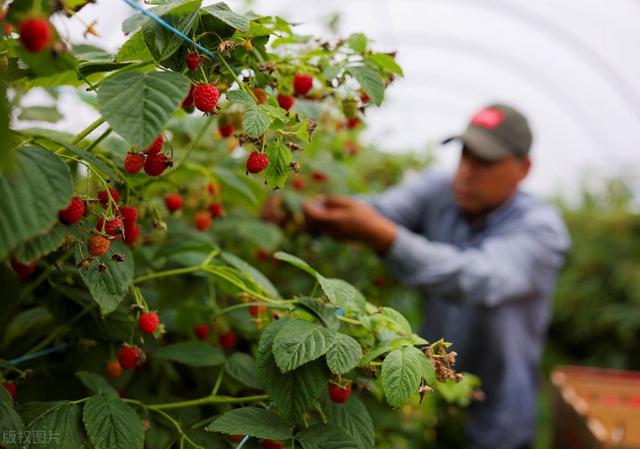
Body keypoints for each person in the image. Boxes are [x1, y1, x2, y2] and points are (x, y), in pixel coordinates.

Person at [302, 104, 571, 449]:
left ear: (524, 169)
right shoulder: (440, 191)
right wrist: (304, 208)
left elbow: (476, 277)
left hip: (499, 423)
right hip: (430, 402)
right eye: (465, 155)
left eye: (485, 162)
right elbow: (377, 212)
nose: (467, 172)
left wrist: (385, 237)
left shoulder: (542, 231)